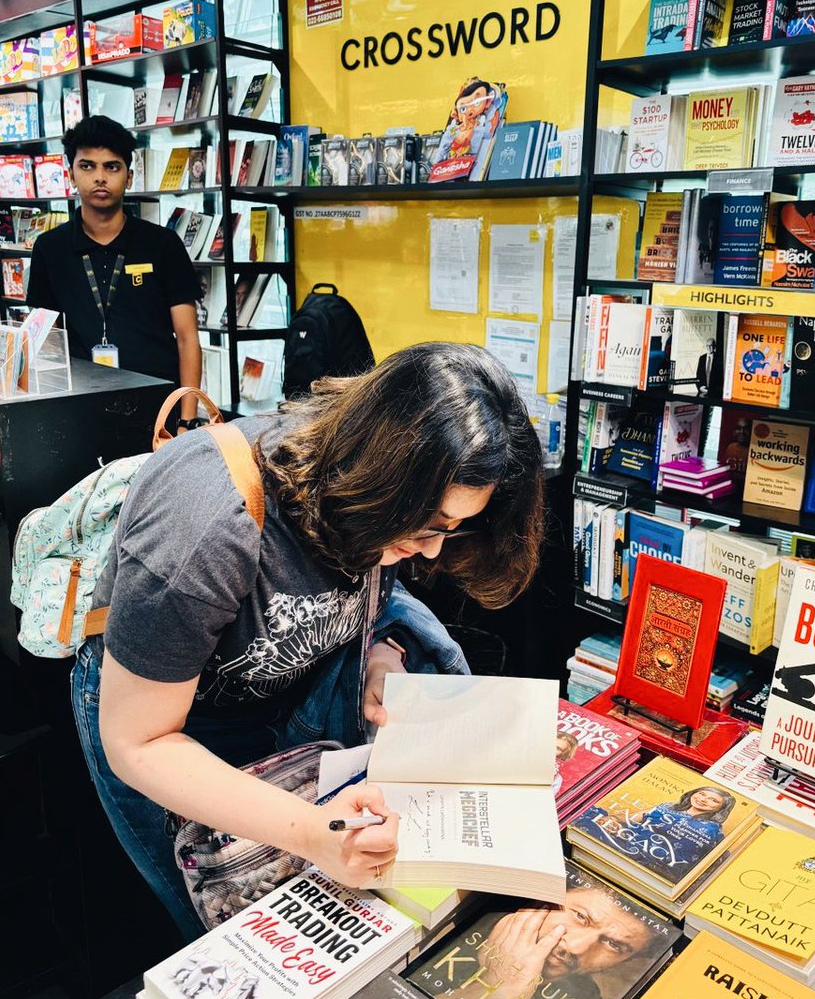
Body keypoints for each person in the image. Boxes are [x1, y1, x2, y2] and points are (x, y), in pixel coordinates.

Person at [70, 343, 544, 940]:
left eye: (451, 530)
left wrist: (379, 652)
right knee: (223, 933)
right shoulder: (207, 524)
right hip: (169, 727)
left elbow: (355, 590)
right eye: (427, 527)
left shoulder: (370, 487)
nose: (433, 550)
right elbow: (138, 742)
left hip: (283, 689)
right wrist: (309, 833)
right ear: (379, 474)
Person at [26, 115, 203, 430]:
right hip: (79, 411)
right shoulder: (49, 248)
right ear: (71, 174)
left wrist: (187, 420)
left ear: (129, 176)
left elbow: (188, 338)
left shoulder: (162, 244)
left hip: (158, 410)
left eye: (112, 166)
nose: (99, 177)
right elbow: (46, 343)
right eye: (87, 166)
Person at [419, 874, 671, 999]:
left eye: (614, 944)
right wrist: (489, 990)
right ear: (544, 897)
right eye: (581, 916)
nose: (575, 946)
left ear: (624, 962)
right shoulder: (447, 923)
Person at [583, 786, 736, 883]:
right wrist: (614, 819)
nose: (703, 800)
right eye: (702, 794)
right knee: (589, 815)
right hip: (627, 840)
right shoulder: (668, 806)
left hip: (656, 863)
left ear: (719, 809)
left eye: (713, 800)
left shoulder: (712, 829)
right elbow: (634, 817)